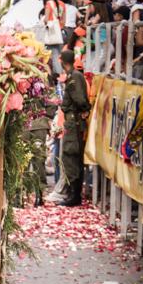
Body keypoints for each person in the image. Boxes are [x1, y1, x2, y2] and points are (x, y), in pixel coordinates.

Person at [59, 50, 90, 207]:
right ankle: (73, 192)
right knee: (72, 155)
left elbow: (78, 98)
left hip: (74, 121)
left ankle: (74, 194)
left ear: (62, 61)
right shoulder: (74, 76)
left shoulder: (74, 77)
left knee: (70, 155)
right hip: (73, 121)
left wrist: (85, 108)